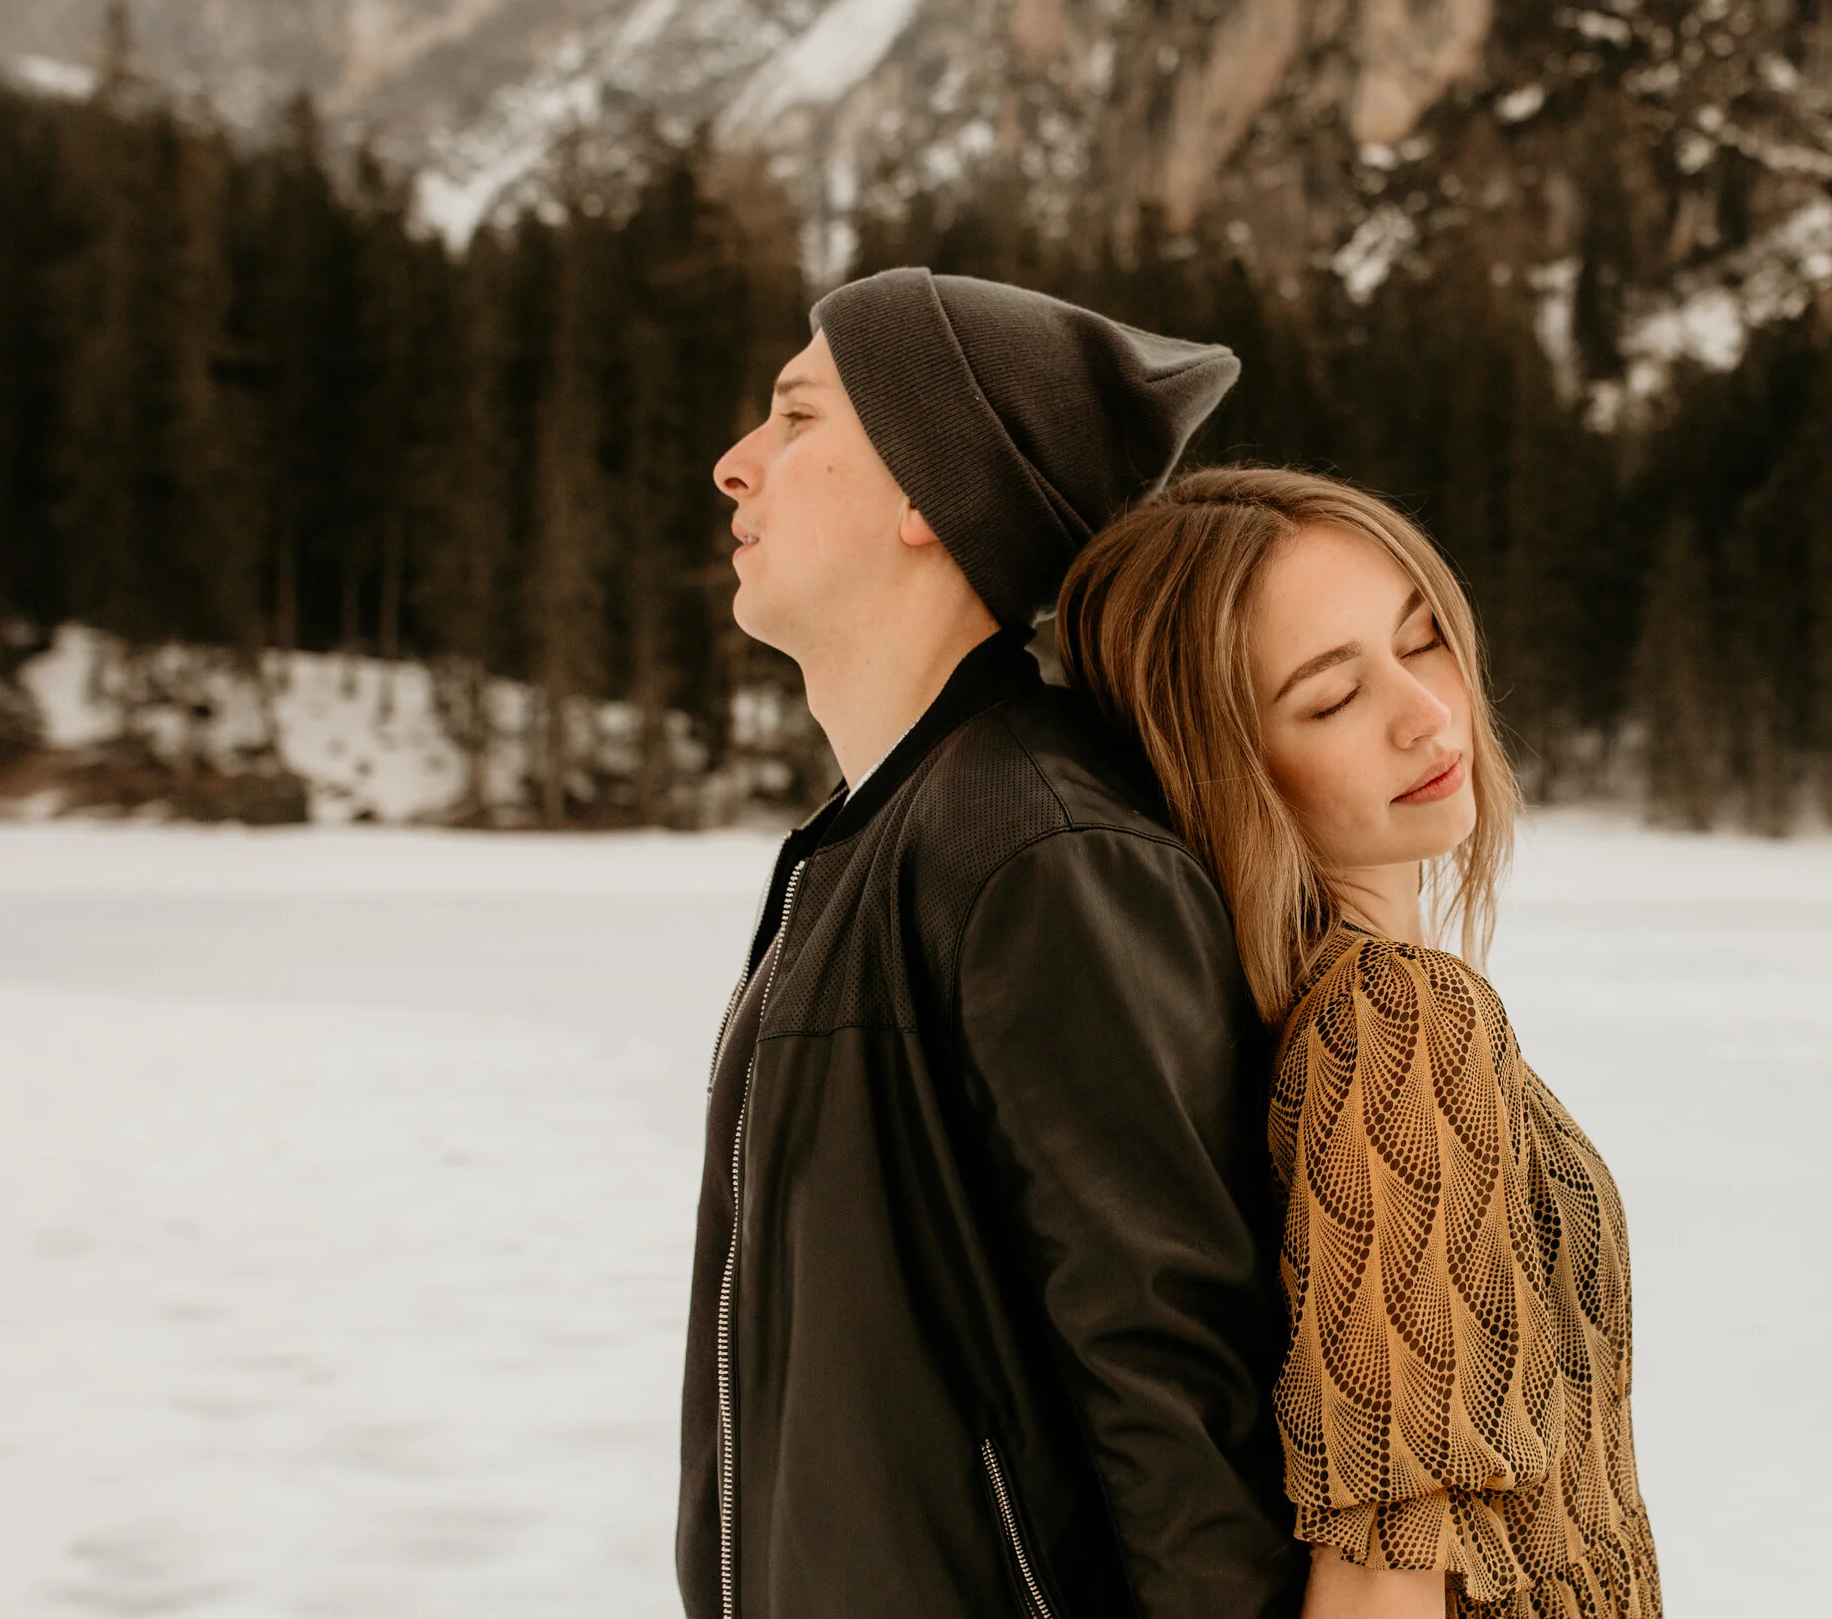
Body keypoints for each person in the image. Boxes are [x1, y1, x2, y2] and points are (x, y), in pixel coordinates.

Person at [682, 271, 1308, 1619]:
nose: (735, 466)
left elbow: (1172, 1379)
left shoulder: (1037, 850)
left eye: (796, 417)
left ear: (929, 491)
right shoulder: (879, 839)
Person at [1056, 467, 1660, 1619]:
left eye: (1423, 639)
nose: (1425, 712)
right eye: (1331, 698)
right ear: (1222, 762)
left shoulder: (1321, 1013)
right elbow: (1385, 1563)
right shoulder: (1397, 1019)